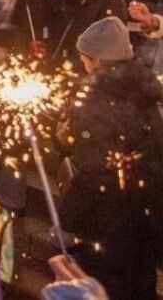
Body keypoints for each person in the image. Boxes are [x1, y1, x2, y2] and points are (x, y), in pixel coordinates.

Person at [57, 18, 163, 299]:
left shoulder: (95, 98)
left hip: (107, 221)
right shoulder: (144, 88)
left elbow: (93, 170)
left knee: (103, 286)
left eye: (84, 58)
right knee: (139, 285)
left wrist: (66, 220)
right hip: (147, 215)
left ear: (97, 60)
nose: (83, 64)